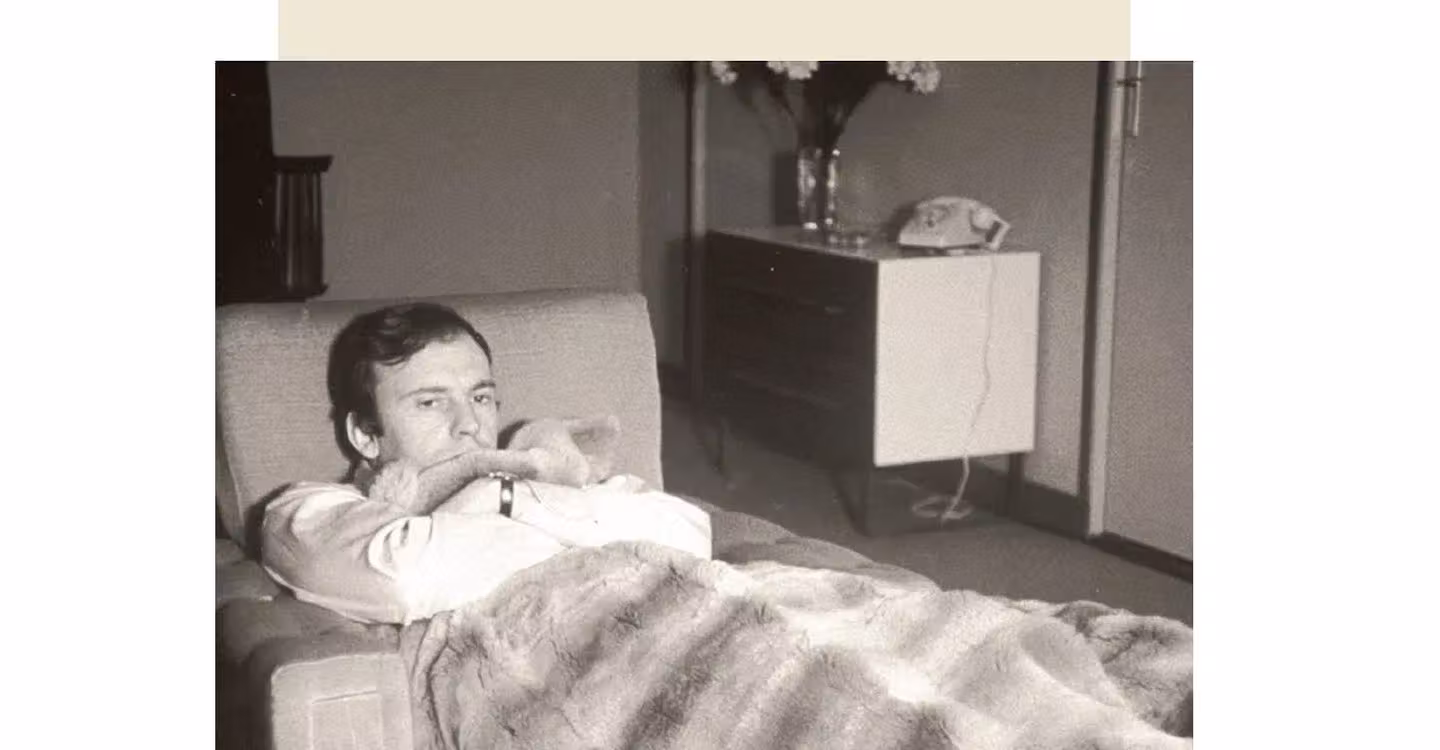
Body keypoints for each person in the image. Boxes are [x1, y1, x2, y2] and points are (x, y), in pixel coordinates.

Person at [260, 302, 711, 625]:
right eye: (430, 402)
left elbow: (690, 537)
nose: (470, 424)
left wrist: (503, 497)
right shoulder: (308, 509)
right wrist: (567, 530)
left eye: (480, 398)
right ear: (365, 434)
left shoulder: (540, 474)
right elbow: (407, 581)